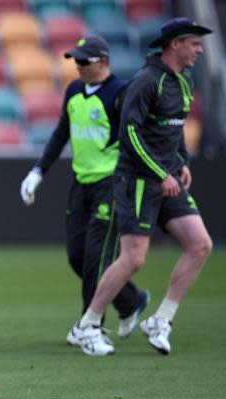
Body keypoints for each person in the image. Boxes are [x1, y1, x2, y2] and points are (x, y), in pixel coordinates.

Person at [75, 18, 213, 356]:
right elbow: (130, 134)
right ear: (174, 44)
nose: (199, 49)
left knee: (200, 245)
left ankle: (161, 320)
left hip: (166, 179)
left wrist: (180, 162)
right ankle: (87, 325)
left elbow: (174, 127)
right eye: (194, 43)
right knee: (134, 259)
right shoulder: (145, 81)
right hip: (137, 180)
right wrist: (160, 173)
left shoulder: (183, 80)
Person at [19, 36, 150, 355]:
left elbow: (136, 137)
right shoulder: (75, 91)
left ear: (103, 62)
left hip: (111, 183)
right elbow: (62, 133)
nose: (76, 66)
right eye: (75, 61)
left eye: (83, 61)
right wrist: (38, 172)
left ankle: (91, 327)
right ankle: (131, 300)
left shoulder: (120, 93)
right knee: (78, 256)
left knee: (96, 258)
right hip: (82, 183)